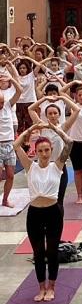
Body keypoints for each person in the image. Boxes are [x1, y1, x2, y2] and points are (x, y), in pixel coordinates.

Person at [14, 123, 72, 301]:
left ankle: (52, 286)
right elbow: (16, 145)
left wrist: (53, 128)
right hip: (35, 214)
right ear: (36, 152)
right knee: (38, 252)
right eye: (40, 150)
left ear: (51, 150)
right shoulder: (30, 167)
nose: (44, 154)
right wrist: (30, 131)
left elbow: (69, 143)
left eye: (47, 150)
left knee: (52, 251)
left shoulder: (57, 166)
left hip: (53, 213)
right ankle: (41, 287)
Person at [28, 95, 81, 209]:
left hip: (59, 167)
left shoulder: (63, 127)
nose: (52, 116)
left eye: (55, 113)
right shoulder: (42, 126)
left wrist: (62, 97)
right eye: (50, 113)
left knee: (58, 200)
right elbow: (30, 109)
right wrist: (45, 99)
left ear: (59, 115)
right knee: (44, 199)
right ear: (46, 115)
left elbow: (76, 110)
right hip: (43, 168)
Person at [0, 74, 23, 207]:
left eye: (2, 102)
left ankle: (5, 199)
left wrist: (11, 79)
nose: (2, 105)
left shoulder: (8, 105)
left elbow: (19, 90)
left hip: (9, 144)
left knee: (10, 175)